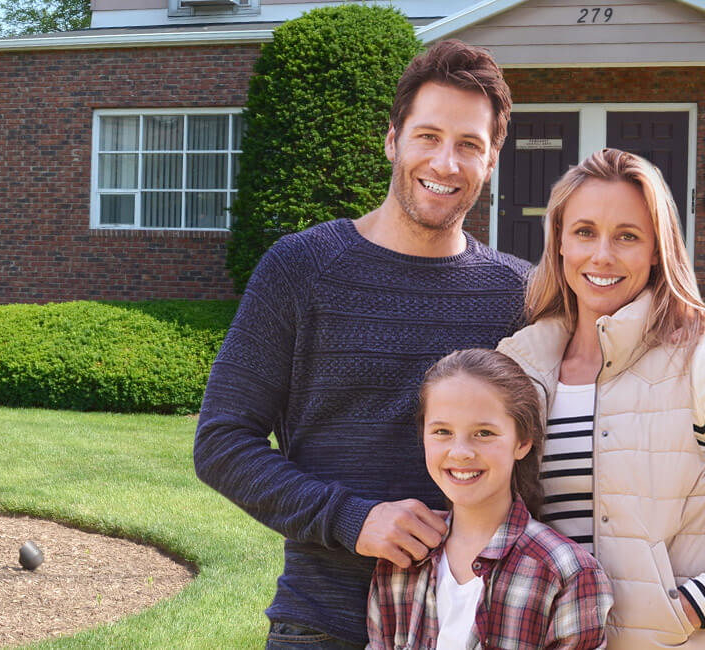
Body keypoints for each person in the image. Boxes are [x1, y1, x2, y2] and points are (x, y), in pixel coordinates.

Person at [194, 40, 529, 648]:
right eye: (428, 136)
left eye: (469, 145)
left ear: (492, 159)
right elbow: (221, 441)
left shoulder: (520, 294)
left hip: (479, 628)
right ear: (392, 140)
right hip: (325, 622)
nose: (446, 163)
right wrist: (352, 520)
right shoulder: (299, 269)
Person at [497, 148, 705, 648]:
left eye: (628, 237)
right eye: (585, 232)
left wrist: (693, 607)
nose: (603, 256)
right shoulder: (519, 367)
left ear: (658, 249)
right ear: (560, 244)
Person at [367, 348, 613, 649]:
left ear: (522, 442)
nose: (460, 452)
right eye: (442, 431)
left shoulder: (566, 573)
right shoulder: (401, 561)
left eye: (483, 433)